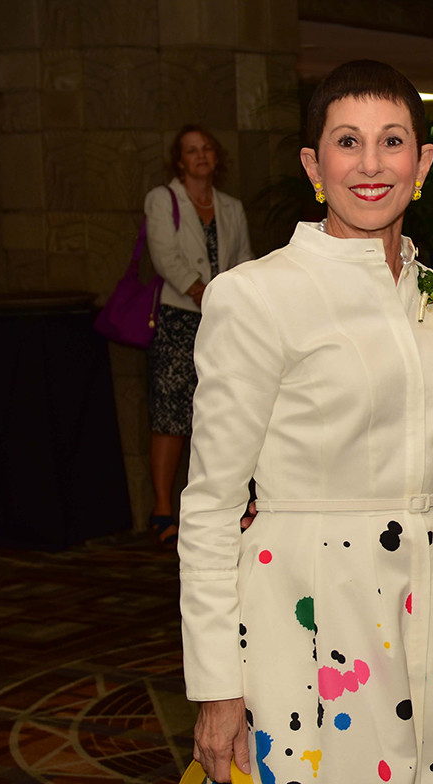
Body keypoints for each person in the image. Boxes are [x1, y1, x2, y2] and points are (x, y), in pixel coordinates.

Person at [178, 60, 433, 783]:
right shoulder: (257, 295)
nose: (371, 163)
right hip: (309, 606)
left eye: (392, 141)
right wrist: (217, 685)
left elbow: (427, 459)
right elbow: (211, 505)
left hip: (432, 596)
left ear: (423, 164)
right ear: (313, 165)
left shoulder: (430, 293)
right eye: (348, 141)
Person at [146, 125, 253, 548]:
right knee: (171, 416)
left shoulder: (231, 206)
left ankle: (222, 507)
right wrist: (203, 292)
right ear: (179, 160)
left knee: (223, 412)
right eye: (192, 150)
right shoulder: (163, 199)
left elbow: (244, 257)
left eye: (207, 148)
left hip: (223, 320)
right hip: (179, 318)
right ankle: (161, 509)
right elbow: (165, 256)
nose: (201, 155)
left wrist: (238, 299)